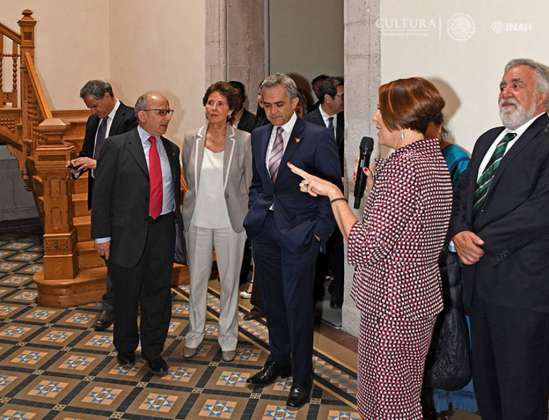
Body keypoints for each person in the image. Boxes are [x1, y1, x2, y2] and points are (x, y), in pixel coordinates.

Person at [288, 77, 453, 418]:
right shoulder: (431, 158)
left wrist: (334, 194)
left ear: (403, 122)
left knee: (391, 407)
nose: (375, 118)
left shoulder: (404, 166)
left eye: (381, 110)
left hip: (394, 305)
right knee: (390, 400)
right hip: (413, 298)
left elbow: (363, 246)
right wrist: (373, 189)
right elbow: (406, 227)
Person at [451, 58, 549, 419]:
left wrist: (478, 241)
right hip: (480, 286)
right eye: (502, 85)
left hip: (524, 293)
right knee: (488, 388)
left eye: (517, 84)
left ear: (543, 97)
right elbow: (462, 198)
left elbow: (541, 212)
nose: (505, 92)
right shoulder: (487, 139)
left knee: (521, 392)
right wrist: (459, 232)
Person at [243, 73, 341, 408]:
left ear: (296, 103)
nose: (273, 111)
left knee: (297, 307)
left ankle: (302, 377)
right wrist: (256, 211)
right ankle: (279, 359)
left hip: (300, 235)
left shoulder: (316, 137)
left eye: (280, 104)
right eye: (267, 105)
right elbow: (259, 182)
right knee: (271, 303)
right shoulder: (258, 136)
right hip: (265, 232)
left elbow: (332, 189)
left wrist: (317, 234)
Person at [91, 92, 182, 376]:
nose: (167, 117)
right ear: (142, 115)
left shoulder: (171, 149)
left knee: (158, 296)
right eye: (161, 112)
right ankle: (126, 348)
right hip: (126, 234)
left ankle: (154, 351)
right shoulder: (116, 146)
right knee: (127, 296)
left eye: (168, 112)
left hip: (162, 231)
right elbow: (102, 193)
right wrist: (102, 236)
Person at [181, 81, 252, 363]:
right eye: (210, 102)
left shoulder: (244, 140)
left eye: (220, 103)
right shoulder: (191, 138)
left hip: (230, 222)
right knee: (196, 282)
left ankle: (228, 337)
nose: (213, 108)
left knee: (229, 283)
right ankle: (195, 334)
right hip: (197, 220)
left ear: (231, 108)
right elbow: (189, 177)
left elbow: (248, 182)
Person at [68, 80, 137, 331]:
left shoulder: (130, 118)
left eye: (95, 106)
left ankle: (113, 305)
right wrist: (78, 167)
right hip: (99, 196)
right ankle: (123, 297)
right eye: (89, 107)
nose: (93, 111)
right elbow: (89, 152)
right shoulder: (93, 121)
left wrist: (96, 164)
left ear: (108, 96)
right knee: (107, 252)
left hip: (123, 198)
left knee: (118, 253)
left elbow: (131, 160)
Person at [422, 127, 477, 417]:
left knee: (449, 338)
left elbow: (461, 214)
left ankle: (444, 402)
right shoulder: (418, 157)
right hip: (424, 262)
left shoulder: (457, 160)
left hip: (447, 265)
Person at [305, 76, 345, 309]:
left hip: (340, 195)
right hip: (316, 196)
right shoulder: (308, 122)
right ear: (327, 99)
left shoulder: (347, 120)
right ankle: (315, 292)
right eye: (341, 96)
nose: (344, 101)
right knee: (318, 245)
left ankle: (339, 292)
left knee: (338, 246)